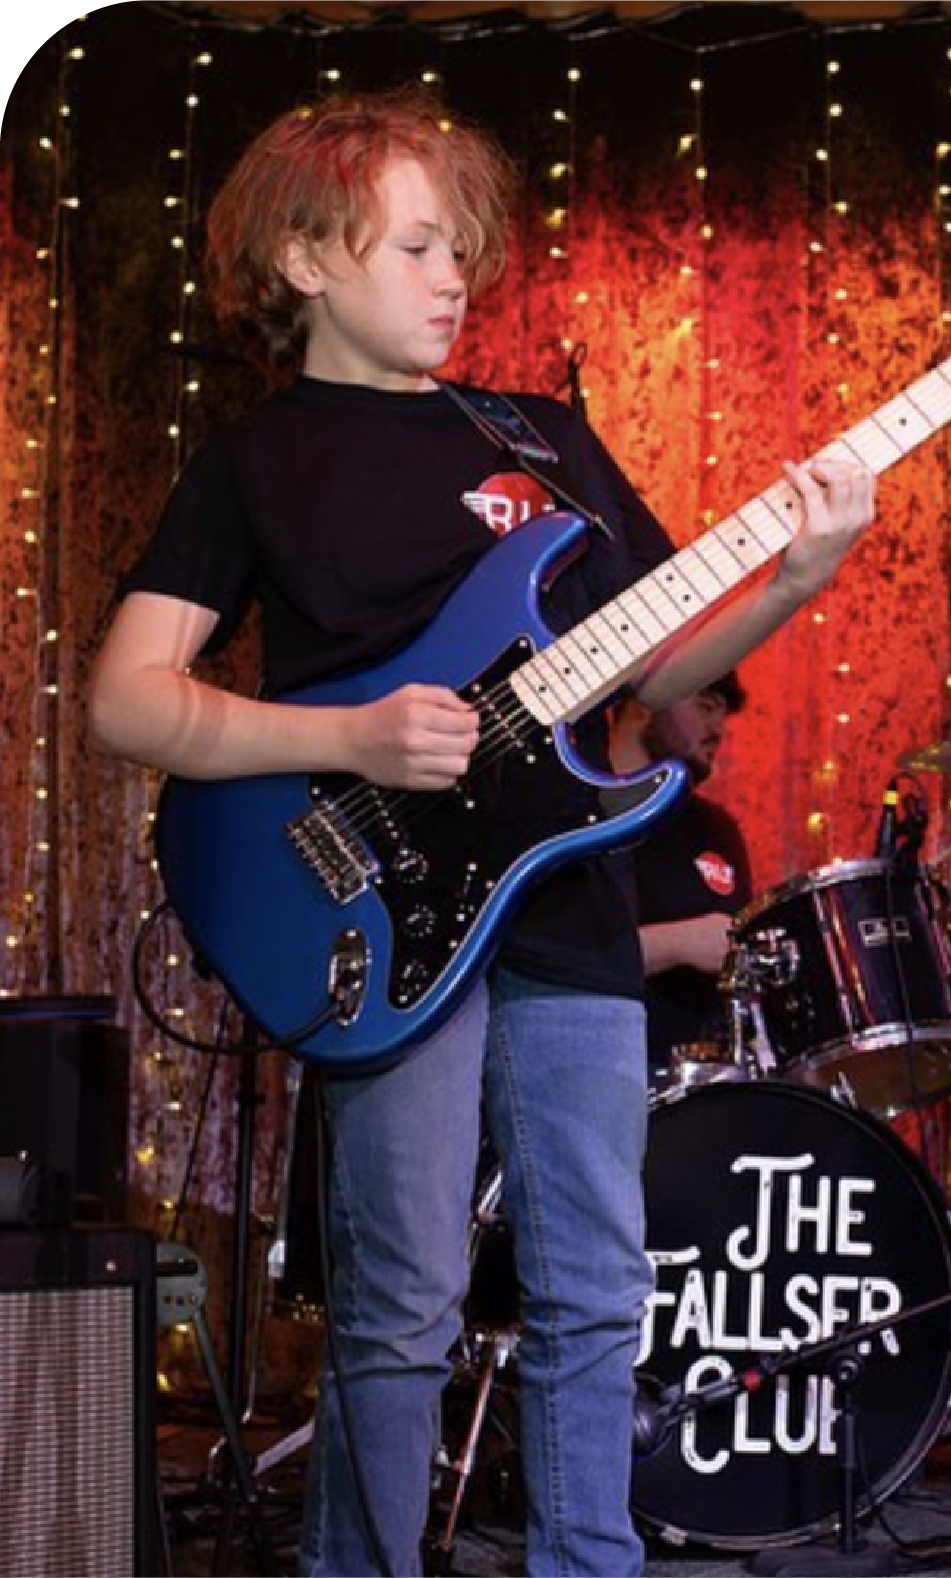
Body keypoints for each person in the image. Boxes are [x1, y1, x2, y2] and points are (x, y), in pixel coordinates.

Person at [88, 89, 875, 1578]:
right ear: (309, 258)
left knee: (598, 1283)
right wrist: (346, 736)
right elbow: (128, 701)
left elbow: (661, 673)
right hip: (367, 904)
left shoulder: (543, 437)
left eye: (462, 252)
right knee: (403, 1300)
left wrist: (798, 573)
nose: (455, 279)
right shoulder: (256, 461)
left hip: (565, 895)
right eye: (418, 246)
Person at [608, 672, 753, 1085]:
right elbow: (547, 957)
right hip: (599, 1074)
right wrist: (680, 942)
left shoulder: (716, 827)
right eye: (705, 706)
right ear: (642, 704)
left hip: (705, 1088)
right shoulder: (579, 818)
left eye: (723, 714)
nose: (718, 729)